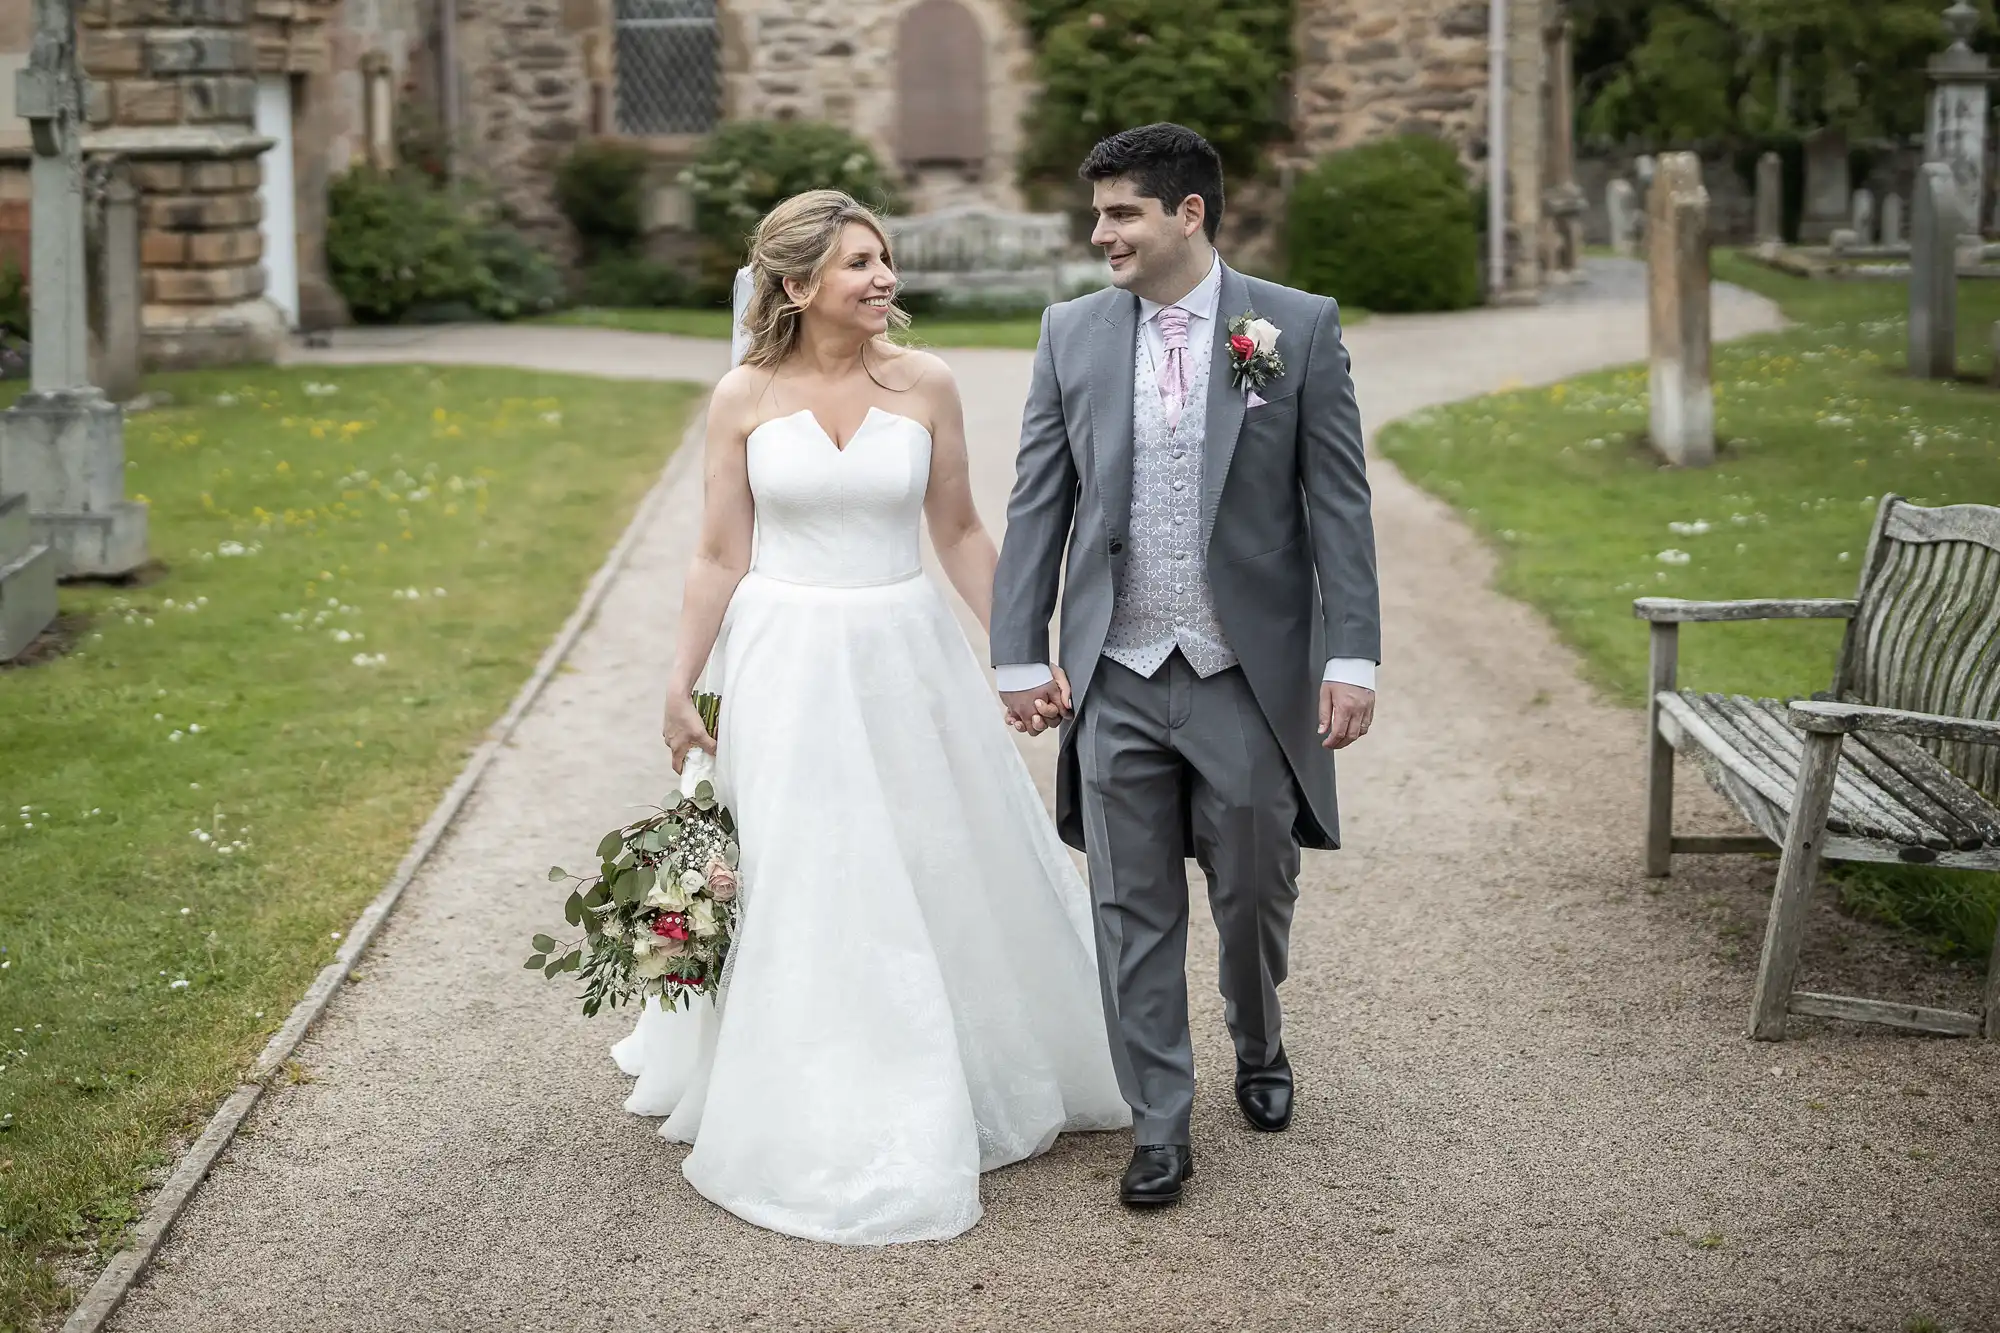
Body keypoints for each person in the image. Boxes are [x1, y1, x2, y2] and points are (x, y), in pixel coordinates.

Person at [623, 188, 1127, 1246]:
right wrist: (680, 680)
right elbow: (720, 552)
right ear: (799, 284)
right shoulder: (742, 396)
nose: (883, 277)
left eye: (884, 257)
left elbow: (956, 529)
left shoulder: (927, 383)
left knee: (932, 851)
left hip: (904, 650)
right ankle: (804, 1077)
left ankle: (956, 1056)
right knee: (808, 866)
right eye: (858, 263)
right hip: (786, 658)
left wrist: (1017, 654)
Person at [990, 123, 1380, 1208]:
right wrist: (1017, 652)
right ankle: (1158, 1124)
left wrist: (1350, 653)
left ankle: (1258, 1039)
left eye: (1120, 212)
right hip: (1114, 670)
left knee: (1254, 883)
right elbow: (1036, 504)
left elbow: (1336, 504)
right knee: (1128, 903)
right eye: (1098, 211)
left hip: (1243, 674)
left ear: (1187, 213)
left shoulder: (1291, 327)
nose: (1099, 231)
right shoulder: (1068, 334)